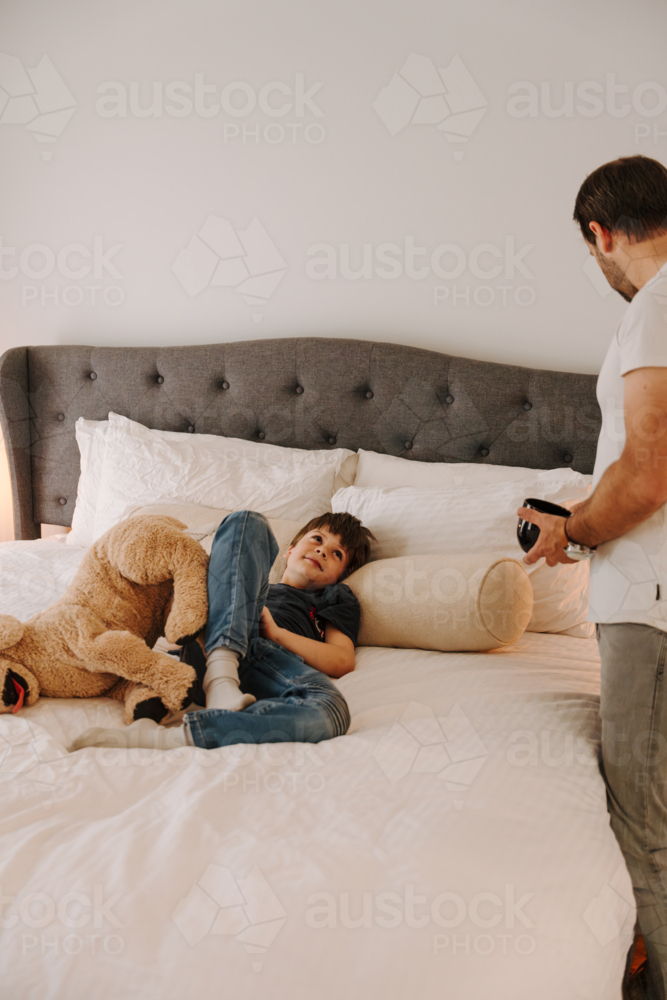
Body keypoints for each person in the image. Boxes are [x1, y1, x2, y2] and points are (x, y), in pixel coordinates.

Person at [517, 155, 667, 999]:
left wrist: (570, 531)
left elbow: (646, 475)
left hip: (648, 604)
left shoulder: (652, 312)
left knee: (644, 828)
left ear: (600, 235)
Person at [69, 509, 375, 752]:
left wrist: (277, 633)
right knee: (247, 521)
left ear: (341, 576)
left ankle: (172, 737)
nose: (322, 551)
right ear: (290, 550)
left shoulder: (336, 596)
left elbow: (341, 660)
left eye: (337, 554)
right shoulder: (250, 579)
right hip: (209, 646)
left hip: (270, 659)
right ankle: (220, 677)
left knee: (332, 711)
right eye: (317, 539)